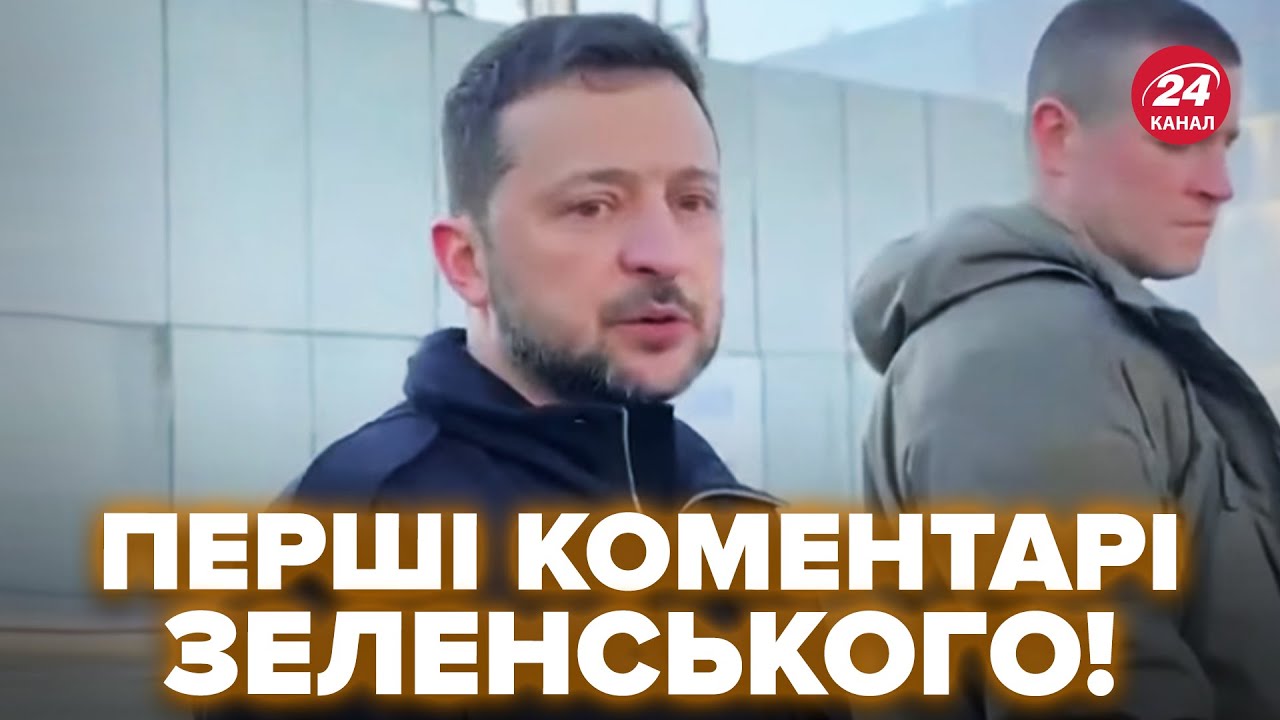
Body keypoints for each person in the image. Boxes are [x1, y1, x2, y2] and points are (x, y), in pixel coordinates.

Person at [199, 12, 842, 720]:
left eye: (693, 201)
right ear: (467, 262)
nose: (663, 253)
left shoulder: (720, 506)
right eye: (593, 206)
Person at [851, 0, 1279, 717]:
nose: (1219, 184)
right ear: (1059, 138)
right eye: (1180, 136)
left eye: (1224, 143)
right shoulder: (1027, 358)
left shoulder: (1086, 340)